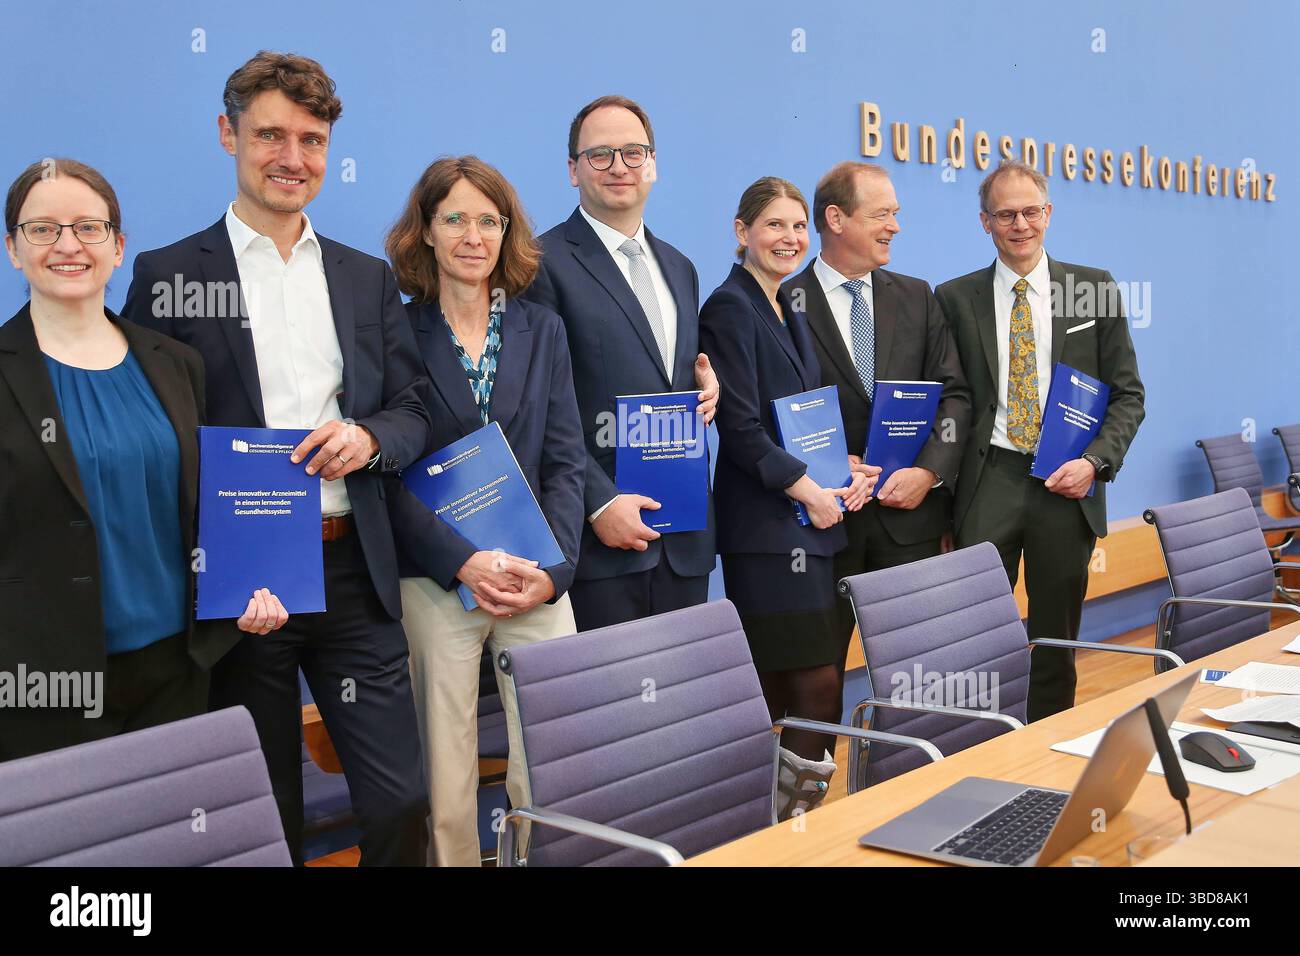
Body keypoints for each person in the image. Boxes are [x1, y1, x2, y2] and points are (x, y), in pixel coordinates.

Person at [120, 52, 431, 865]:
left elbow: (413, 412)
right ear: (229, 135)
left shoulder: (365, 279)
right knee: (263, 814)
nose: (293, 158)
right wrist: (206, 571)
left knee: (402, 799)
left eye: (312, 139)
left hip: (355, 575)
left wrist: (368, 440)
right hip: (241, 582)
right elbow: (150, 437)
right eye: (271, 135)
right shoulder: (170, 276)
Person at [0, 158, 251, 761]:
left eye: (89, 227)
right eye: (43, 229)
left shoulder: (174, 364)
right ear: (13, 249)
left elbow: (203, 505)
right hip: (42, 684)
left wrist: (248, 583)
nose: (68, 245)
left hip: (177, 669)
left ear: (117, 247)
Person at [383, 156, 585, 867]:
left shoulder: (543, 331)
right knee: (446, 769)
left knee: (558, 751)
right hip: (437, 577)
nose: (474, 235)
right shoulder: (393, 332)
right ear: (426, 233)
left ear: (507, 233)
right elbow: (385, 474)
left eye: (489, 220)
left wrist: (555, 570)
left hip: (533, 571)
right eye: (455, 219)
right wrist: (459, 559)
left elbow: (565, 461)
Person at [934, 160, 1145, 721]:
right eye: (1006, 214)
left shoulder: (1090, 288)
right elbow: (947, 400)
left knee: (1056, 640)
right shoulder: (954, 298)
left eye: (1030, 212)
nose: (1020, 224)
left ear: (1048, 214)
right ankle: (978, 751)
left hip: (1066, 483)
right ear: (985, 222)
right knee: (976, 638)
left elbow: (1128, 395)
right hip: (988, 482)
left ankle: (1047, 753)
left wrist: (1096, 463)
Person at [699, 177, 874, 816]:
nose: (790, 239)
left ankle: (770, 822)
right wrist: (809, 487)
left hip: (810, 520)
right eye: (774, 225)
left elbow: (802, 419)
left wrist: (841, 466)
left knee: (790, 684)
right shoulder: (729, 307)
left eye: (799, 227)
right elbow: (740, 428)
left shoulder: (786, 305)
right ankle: (787, 823)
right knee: (817, 685)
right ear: (742, 232)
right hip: (769, 532)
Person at [522, 95, 719, 632]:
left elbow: (672, 372)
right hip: (600, 541)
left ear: (652, 163)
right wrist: (598, 503)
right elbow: (536, 408)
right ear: (572, 170)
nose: (619, 168)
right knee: (609, 712)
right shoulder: (539, 264)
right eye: (600, 155)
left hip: (682, 537)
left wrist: (708, 384)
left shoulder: (681, 268)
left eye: (634, 153)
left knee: (684, 704)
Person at [786, 162, 970, 694]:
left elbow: (954, 394)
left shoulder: (917, 296)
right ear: (836, 218)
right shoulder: (783, 302)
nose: (895, 226)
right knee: (816, 679)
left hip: (907, 519)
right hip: (822, 521)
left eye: (896, 213)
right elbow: (771, 411)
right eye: (882, 214)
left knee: (919, 676)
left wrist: (929, 472)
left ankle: (921, 772)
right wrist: (820, 470)